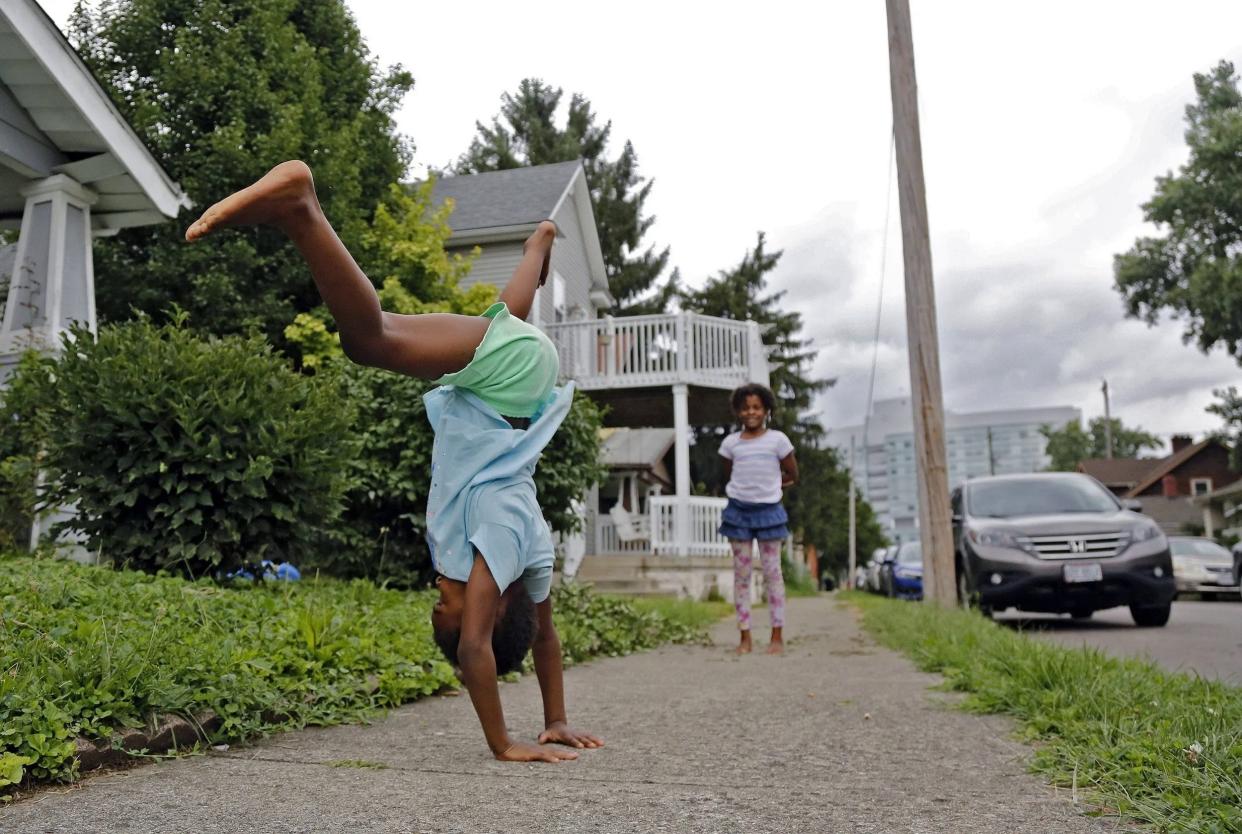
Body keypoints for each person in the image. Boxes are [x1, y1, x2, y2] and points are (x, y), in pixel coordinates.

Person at [186, 160, 603, 763]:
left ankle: (538, 245)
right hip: (512, 380)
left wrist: (557, 718)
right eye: (449, 606)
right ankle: (301, 207)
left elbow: (546, 638)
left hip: (514, 386)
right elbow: (475, 653)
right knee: (369, 340)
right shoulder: (501, 543)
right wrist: (505, 744)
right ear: (493, 605)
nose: (439, 589)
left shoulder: (530, 561)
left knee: (498, 322)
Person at [718, 383, 798, 655]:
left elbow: (792, 474)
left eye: (756, 407)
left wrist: (774, 486)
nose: (751, 412)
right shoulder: (730, 444)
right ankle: (745, 636)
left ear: (766, 410)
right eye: (745, 408)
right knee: (741, 576)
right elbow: (730, 474)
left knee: (773, 573)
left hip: (769, 513)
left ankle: (777, 636)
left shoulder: (778, 441)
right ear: (738, 411)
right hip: (738, 513)